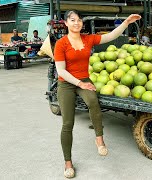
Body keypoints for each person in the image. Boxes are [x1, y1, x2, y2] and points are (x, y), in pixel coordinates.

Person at [54, 10, 141, 178]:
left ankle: (99, 139)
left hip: (84, 79)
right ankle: (67, 162)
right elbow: (61, 71)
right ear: (66, 23)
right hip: (66, 83)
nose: (76, 23)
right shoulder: (61, 44)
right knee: (67, 123)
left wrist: (126, 23)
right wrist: (80, 83)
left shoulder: (88, 39)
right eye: (72, 20)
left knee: (93, 101)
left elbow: (110, 36)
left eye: (79, 20)